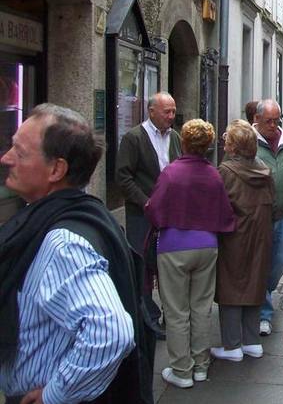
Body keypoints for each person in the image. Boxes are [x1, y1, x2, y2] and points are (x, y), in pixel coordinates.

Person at [0, 104, 152, 404]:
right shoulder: (73, 216)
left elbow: (110, 333)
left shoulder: (64, 244)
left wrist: (54, 394)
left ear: (56, 170)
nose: (6, 158)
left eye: (20, 151)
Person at [145, 119, 235, 388]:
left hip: (174, 246)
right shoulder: (213, 175)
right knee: (201, 308)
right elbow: (225, 214)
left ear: (183, 142)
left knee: (176, 311)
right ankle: (201, 365)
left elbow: (153, 209)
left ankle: (182, 370)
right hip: (207, 245)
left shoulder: (171, 173)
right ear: (208, 146)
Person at [116, 92, 181, 340]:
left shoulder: (175, 138)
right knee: (142, 265)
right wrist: (145, 202)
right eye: (167, 112)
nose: (171, 116)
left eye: (173, 111)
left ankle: (169, 315)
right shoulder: (134, 138)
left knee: (166, 264)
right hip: (141, 214)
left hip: (169, 214)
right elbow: (123, 177)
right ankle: (147, 318)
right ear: (151, 111)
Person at [213, 120, 275, 362]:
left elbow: (218, 207)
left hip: (234, 237)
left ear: (234, 147)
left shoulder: (226, 171)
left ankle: (232, 345)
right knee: (254, 282)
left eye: (227, 140)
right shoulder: (264, 169)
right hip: (260, 235)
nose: (224, 144)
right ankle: (252, 341)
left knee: (231, 286)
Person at [254, 100, 283, 336]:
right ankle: (264, 313)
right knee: (261, 262)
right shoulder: (249, 142)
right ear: (257, 120)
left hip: (282, 212)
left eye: (276, 120)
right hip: (258, 215)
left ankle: (265, 289)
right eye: (268, 121)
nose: (273, 125)